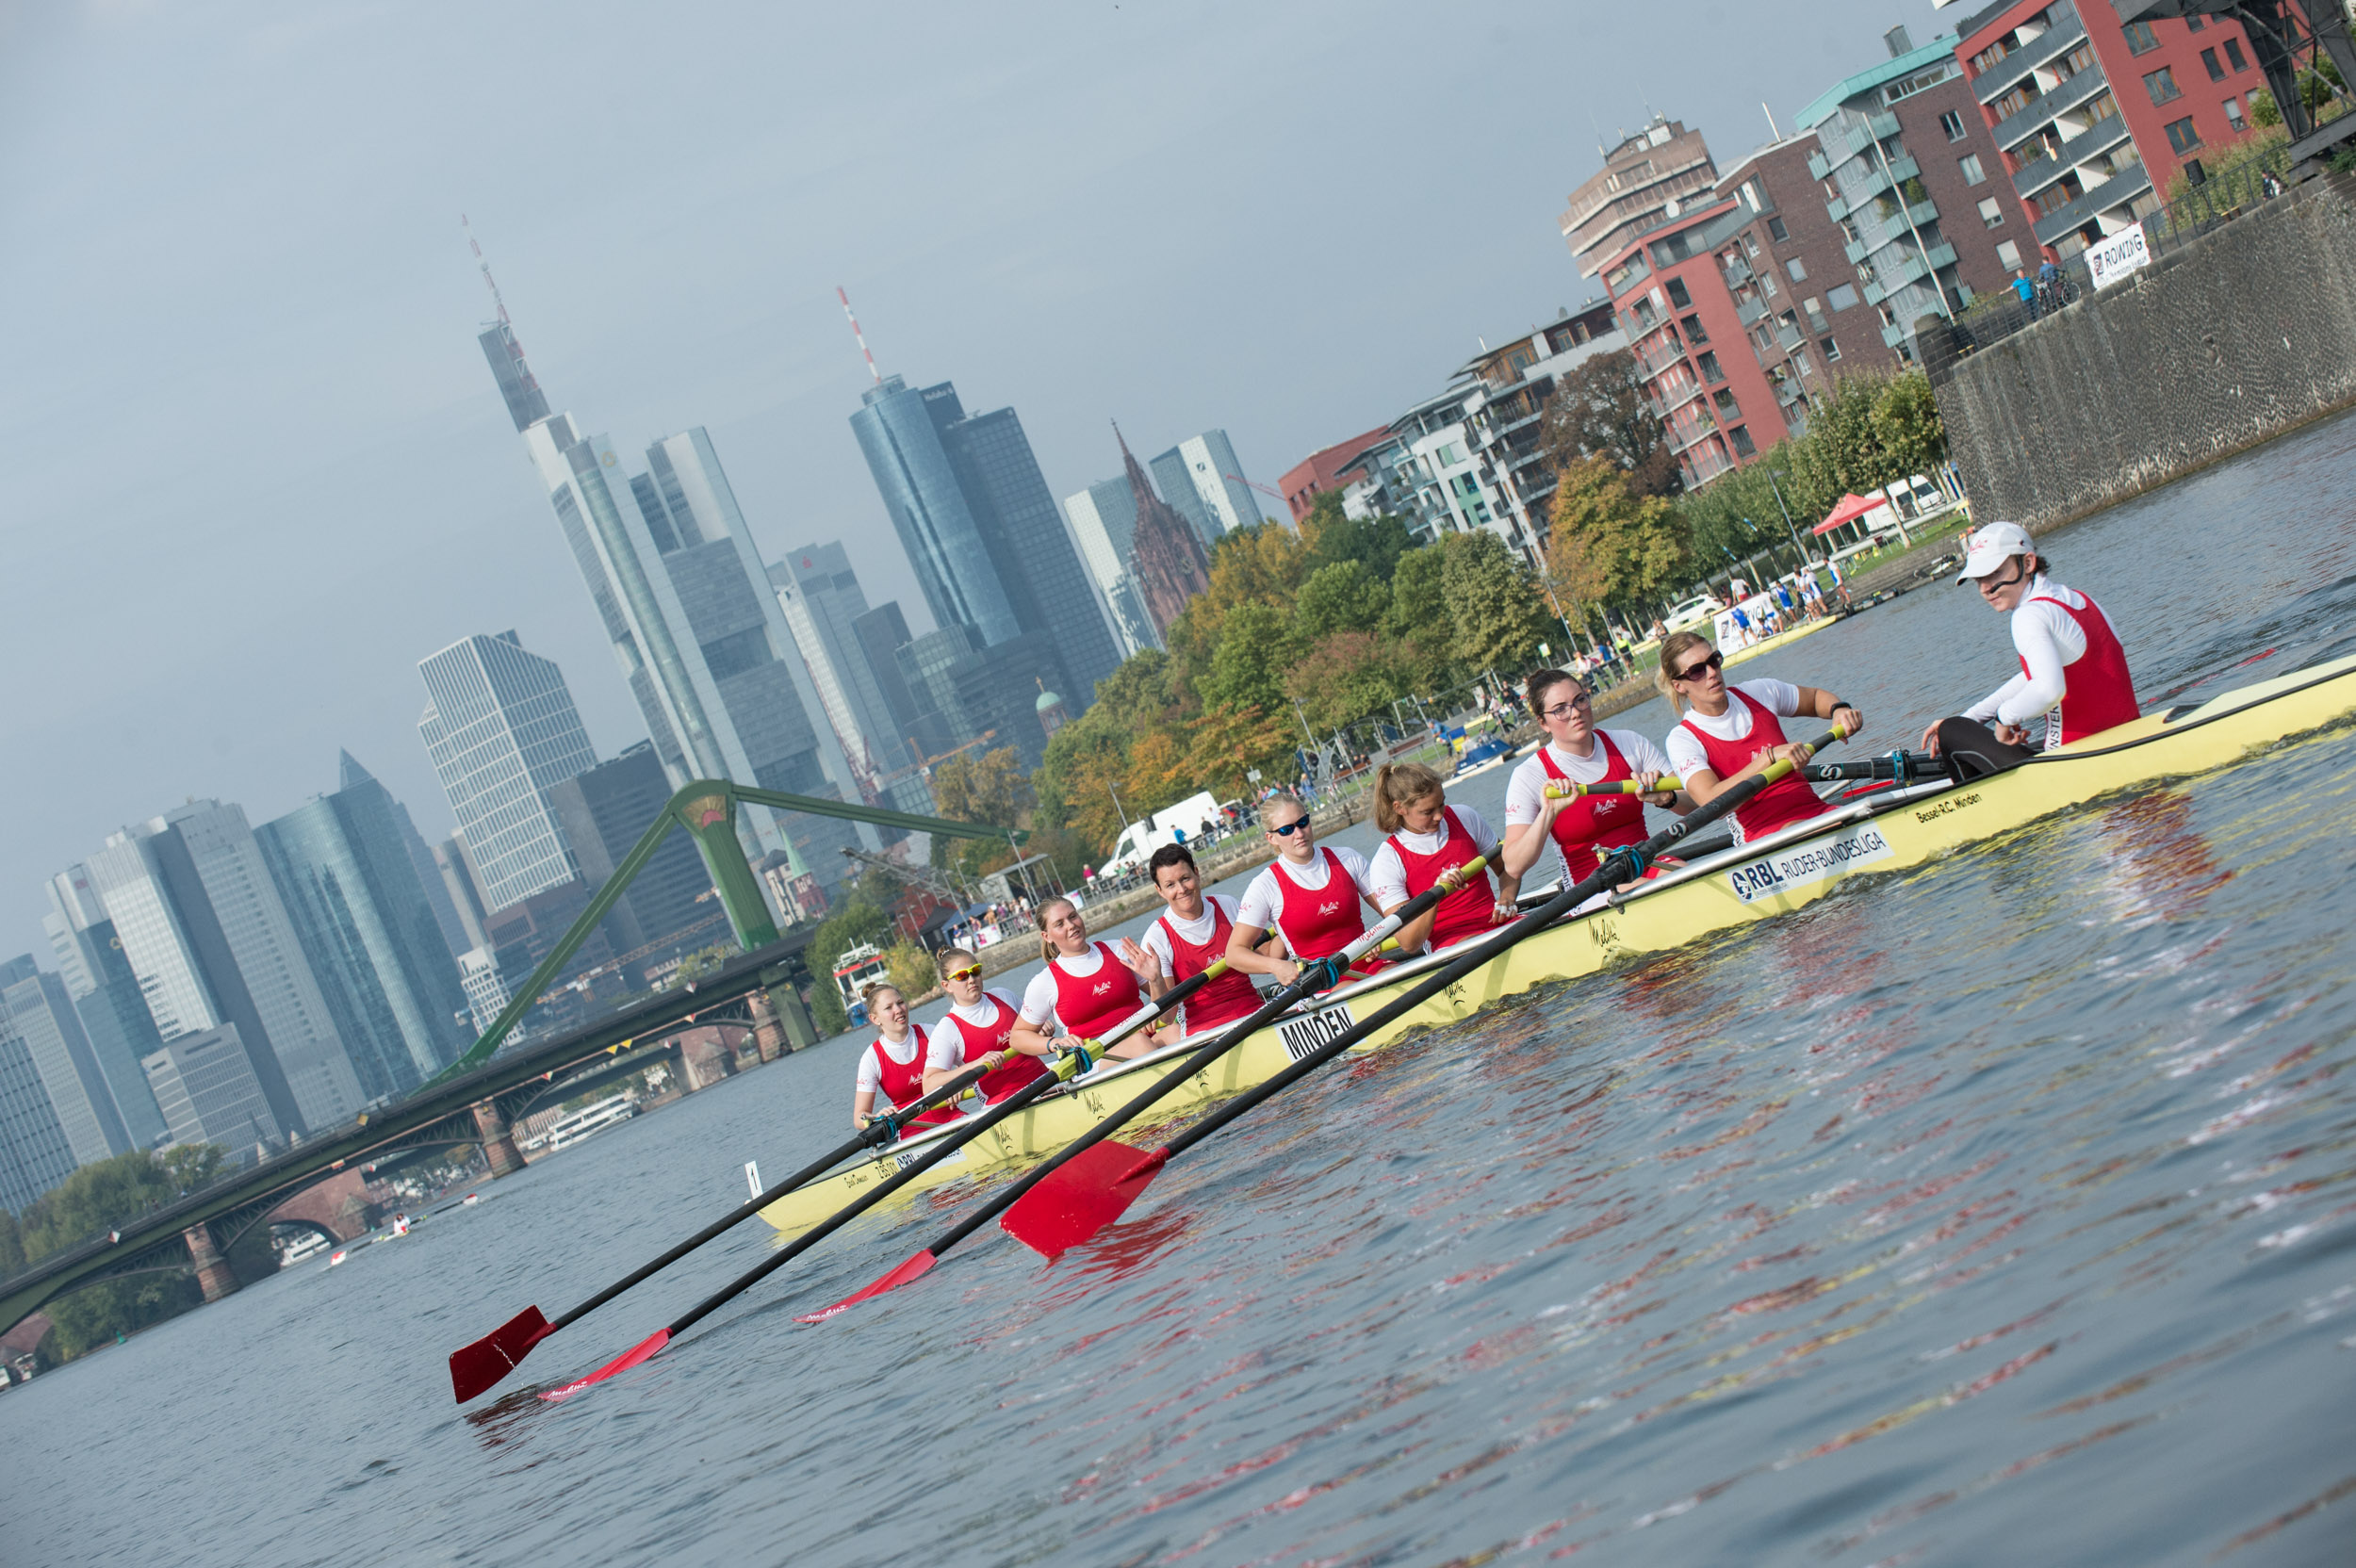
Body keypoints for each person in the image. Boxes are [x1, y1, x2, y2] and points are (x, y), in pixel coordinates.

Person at [1919, 521, 2139, 779]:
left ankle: (1971, 805)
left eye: (1994, 573)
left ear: (2029, 563)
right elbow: (2040, 675)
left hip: (2073, 765)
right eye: (1979, 579)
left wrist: (2003, 718)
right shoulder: (2078, 599)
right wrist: (1975, 717)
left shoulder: (2028, 615)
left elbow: (2048, 689)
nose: (1985, 588)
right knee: (1961, 724)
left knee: (1951, 732)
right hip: (2128, 739)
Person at [1657, 630, 1864, 843]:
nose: (1711, 672)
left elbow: (1814, 699)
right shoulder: (1683, 739)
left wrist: (1839, 710)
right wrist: (1768, 758)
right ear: (1679, 685)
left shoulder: (1759, 692)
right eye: (1697, 671)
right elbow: (1711, 801)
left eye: (1714, 660)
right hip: (1758, 833)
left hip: (1815, 811)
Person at [1502, 668, 1689, 901]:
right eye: (1560, 709)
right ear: (1543, 723)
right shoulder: (1529, 775)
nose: (1575, 713)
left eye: (1580, 700)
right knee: (1656, 891)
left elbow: (1693, 802)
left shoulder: (1629, 743)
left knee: (1688, 875)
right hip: (1587, 887)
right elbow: (1513, 865)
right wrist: (1548, 813)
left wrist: (1667, 799)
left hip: (1645, 863)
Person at [1225, 792, 1387, 986]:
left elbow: (1390, 909)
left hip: (1367, 964)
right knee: (1357, 989)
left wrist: (1376, 936)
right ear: (1271, 838)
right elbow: (1234, 954)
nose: (1299, 834)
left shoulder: (1347, 858)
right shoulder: (1265, 886)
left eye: (1302, 823)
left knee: (1401, 975)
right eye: (1286, 830)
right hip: (1319, 982)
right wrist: (1276, 966)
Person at [1121, 844, 1270, 1037]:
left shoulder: (1227, 905)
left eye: (1185, 878)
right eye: (1170, 885)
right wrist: (1156, 980)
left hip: (1254, 1013)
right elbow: (1167, 1018)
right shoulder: (1157, 937)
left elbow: (1268, 955)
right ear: (1160, 891)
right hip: (1203, 1033)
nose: (1182, 889)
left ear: (1197, 874)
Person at [1366, 761, 1507, 955]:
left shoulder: (1464, 816)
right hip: (1449, 943)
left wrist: (1508, 899)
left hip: (1497, 923)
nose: (1439, 816)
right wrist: (1436, 893)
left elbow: (1506, 870)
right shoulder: (1387, 860)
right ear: (1399, 808)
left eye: (1441, 804)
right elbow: (1408, 943)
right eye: (1428, 812)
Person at [1008, 897, 1161, 1065]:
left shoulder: (1117, 949)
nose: (1070, 925)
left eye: (1073, 916)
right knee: (1139, 1044)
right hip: (1094, 1057)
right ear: (1047, 936)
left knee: (1175, 1032)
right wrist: (1053, 1043)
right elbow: (1017, 1038)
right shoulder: (1045, 982)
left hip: (1145, 1040)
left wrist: (1156, 979)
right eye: (1059, 924)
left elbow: (1165, 1008)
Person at [922, 949, 1048, 1105]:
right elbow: (928, 1085)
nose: (971, 979)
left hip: (1044, 1081)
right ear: (947, 985)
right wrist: (976, 1064)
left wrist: (1040, 1030)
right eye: (962, 976)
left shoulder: (1004, 996)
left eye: (975, 971)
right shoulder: (948, 1029)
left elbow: (1032, 1032)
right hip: (1001, 1104)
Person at [850, 984, 960, 1137]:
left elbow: (963, 1067)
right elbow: (859, 1118)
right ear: (875, 1019)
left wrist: (956, 1085)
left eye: (900, 1003)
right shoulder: (872, 1058)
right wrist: (878, 1117)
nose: (898, 1010)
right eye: (889, 1008)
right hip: (913, 1131)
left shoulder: (930, 1032)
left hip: (952, 1118)